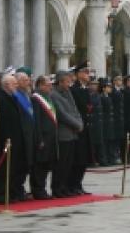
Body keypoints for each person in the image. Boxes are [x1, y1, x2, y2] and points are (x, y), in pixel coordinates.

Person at [0, 74, 30, 203]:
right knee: (4, 169)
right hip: (6, 139)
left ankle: (11, 192)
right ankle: (1, 194)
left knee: (14, 168)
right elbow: (2, 122)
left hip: (16, 138)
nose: (16, 86)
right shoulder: (0, 98)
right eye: (14, 84)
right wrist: (6, 138)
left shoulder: (13, 97)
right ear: (7, 85)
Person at [49, 70, 83, 198]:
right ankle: (57, 188)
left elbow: (75, 110)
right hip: (63, 133)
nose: (69, 84)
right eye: (67, 82)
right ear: (61, 81)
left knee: (69, 163)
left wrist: (80, 122)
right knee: (61, 164)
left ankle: (65, 187)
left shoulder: (68, 93)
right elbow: (62, 114)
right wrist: (77, 124)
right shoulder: (54, 95)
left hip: (73, 133)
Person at [30, 76, 57, 200]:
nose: (50, 86)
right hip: (43, 137)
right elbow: (37, 121)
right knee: (39, 165)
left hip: (50, 136)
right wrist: (39, 138)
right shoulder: (36, 98)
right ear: (40, 85)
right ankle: (38, 190)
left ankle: (42, 188)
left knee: (46, 164)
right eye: (47, 84)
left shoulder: (47, 97)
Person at [69, 63, 92, 194]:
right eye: (85, 72)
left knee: (83, 159)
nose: (87, 75)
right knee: (77, 159)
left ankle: (78, 184)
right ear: (78, 74)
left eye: (88, 72)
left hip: (86, 127)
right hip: (78, 128)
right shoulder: (74, 89)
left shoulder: (85, 89)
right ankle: (73, 185)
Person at [110, 76, 125, 164]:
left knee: (119, 138)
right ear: (115, 81)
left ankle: (117, 155)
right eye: (119, 80)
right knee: (114, 139)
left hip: (120, 118)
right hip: (115, 118)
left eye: (121, 80)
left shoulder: (120, 91)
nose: (120, 82)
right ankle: (114, 156)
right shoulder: (113, 91)